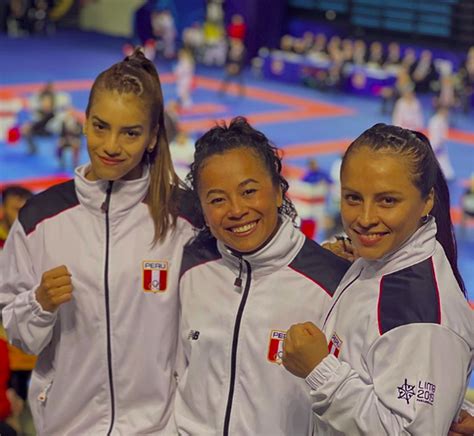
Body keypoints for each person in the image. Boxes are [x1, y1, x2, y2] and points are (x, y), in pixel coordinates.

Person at [0, 48, 195, 435]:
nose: (111, 145)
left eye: (130, 133)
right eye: (101, 126)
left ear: (153, 137)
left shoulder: (185, 219)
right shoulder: (41, 219)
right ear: (84, 123)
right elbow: (19, 334)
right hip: (67, 426)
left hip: (159, 428)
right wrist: (39, 303)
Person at [282, 123, 473, 435]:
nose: (365, 218)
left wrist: (320, 371)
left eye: (387, 201)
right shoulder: (379, 264)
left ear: (427, 201)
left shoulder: (423, 319)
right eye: (353, 198)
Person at [173, 117, 350, 435]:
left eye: (249, 191)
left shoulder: (333, 284)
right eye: (217, 199)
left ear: (279, 192)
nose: (236, 209)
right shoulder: (189, 267)